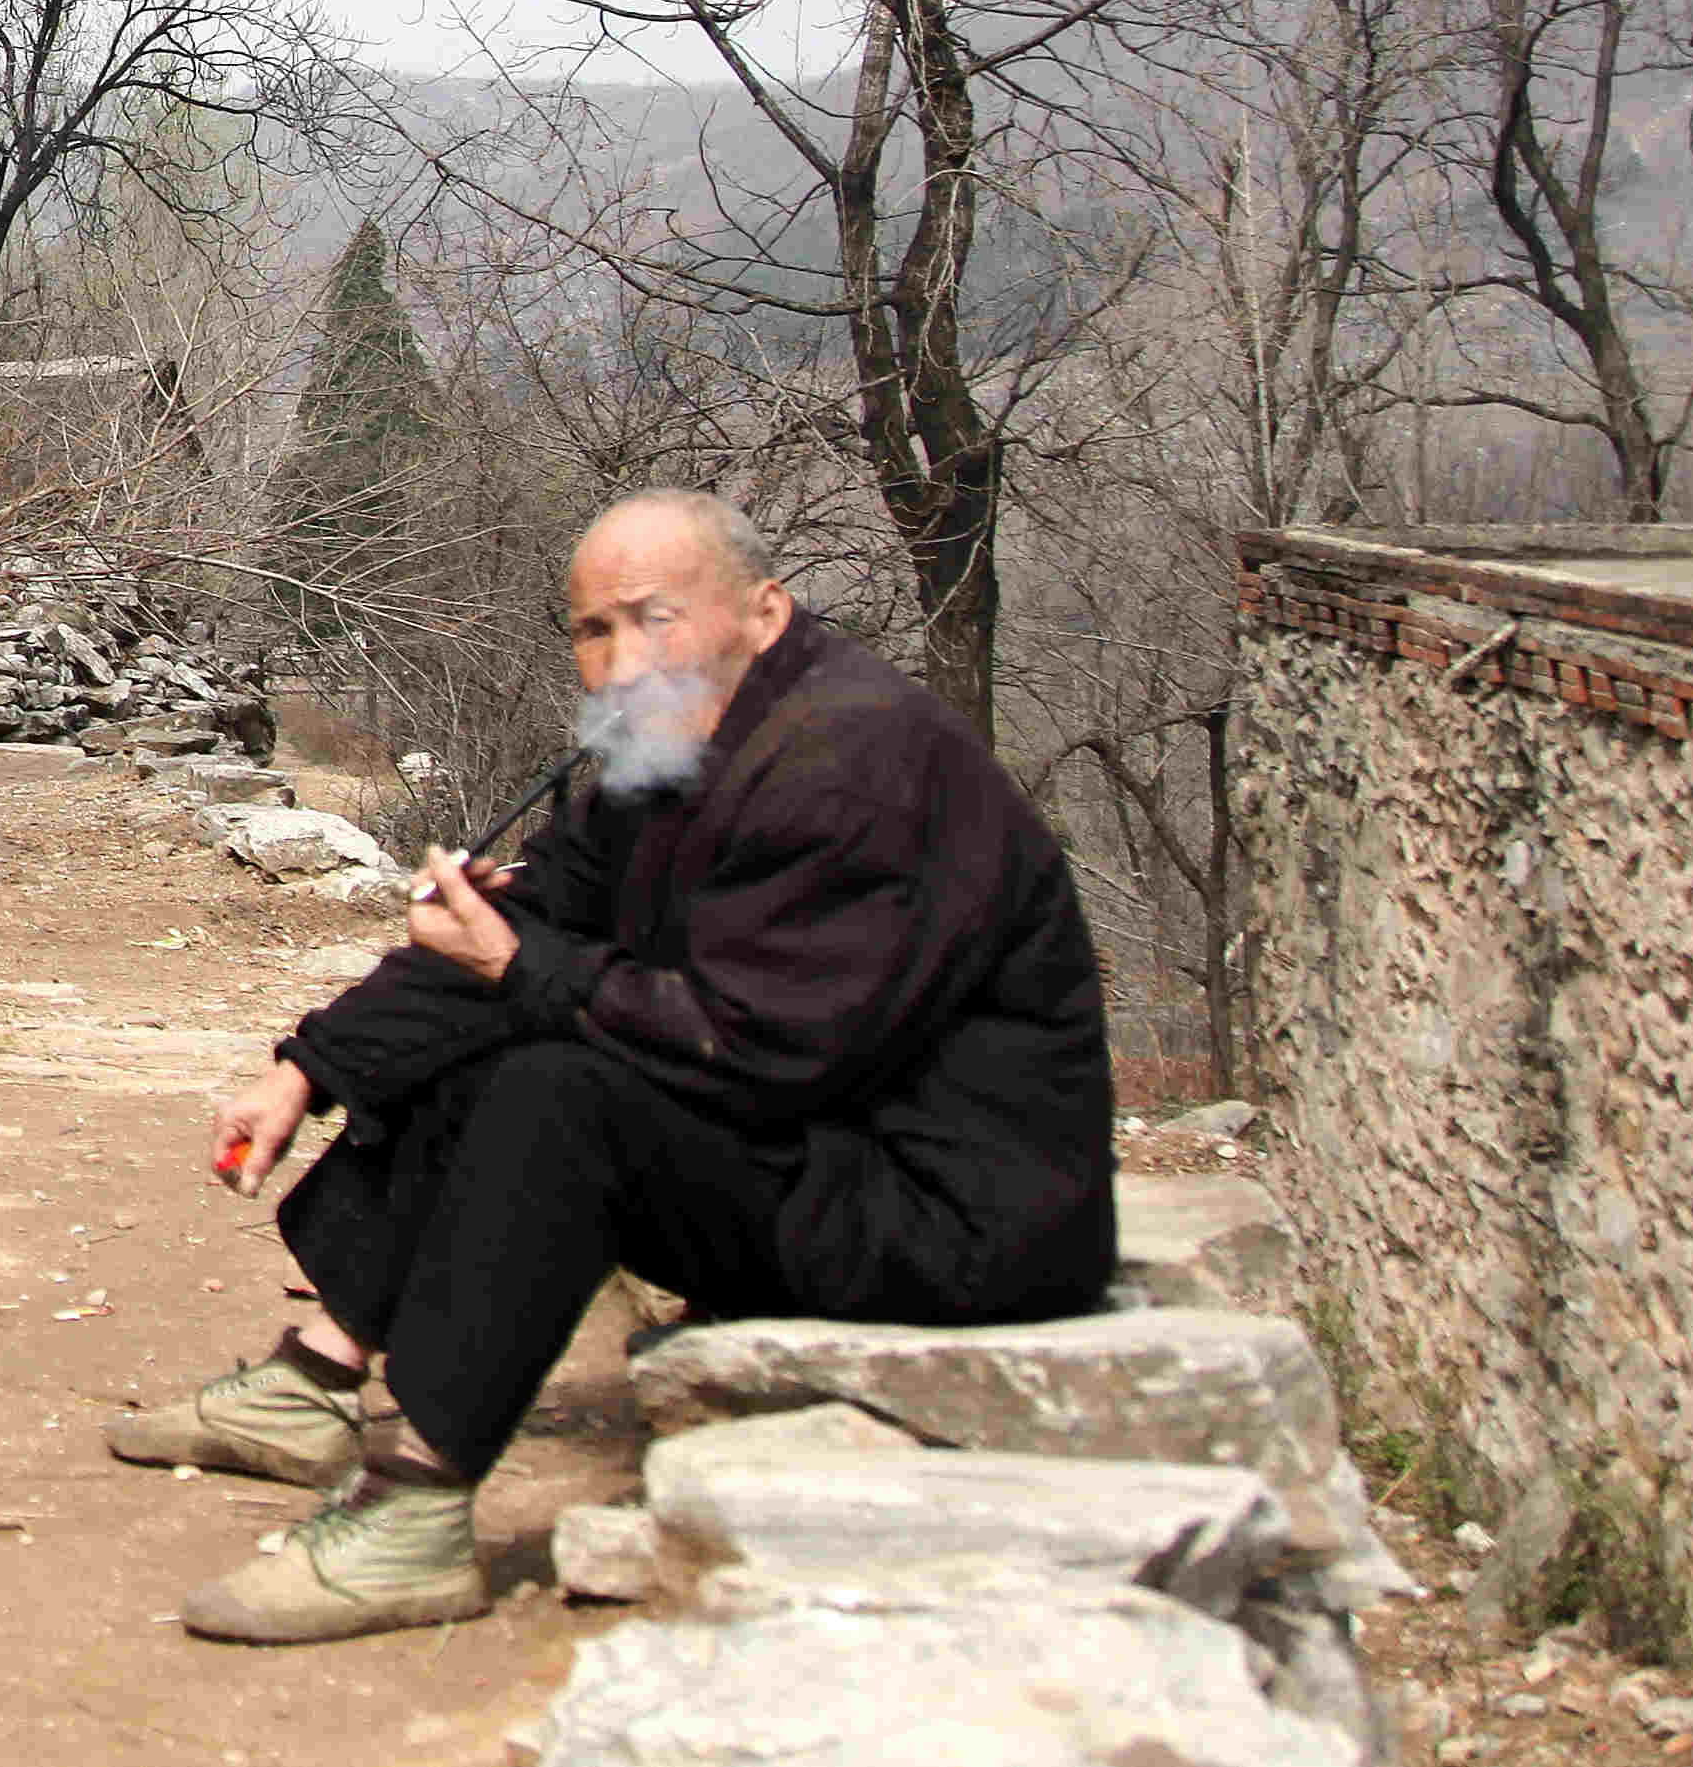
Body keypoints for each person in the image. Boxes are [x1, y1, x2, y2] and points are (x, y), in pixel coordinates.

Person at [108, 490, 1115, 1644]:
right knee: (507, 1019)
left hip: (952, 1220)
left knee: (559, 1086)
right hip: (824, 1154)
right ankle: (316, 1379)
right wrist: (306, 1070)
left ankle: (415, 1509)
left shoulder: (853, 765)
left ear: (764, 613)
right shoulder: (684, 749)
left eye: (656, 619)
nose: (623, 661)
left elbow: (761, 1053)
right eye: (594, 631)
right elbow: (533, 919)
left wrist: (518, 966)